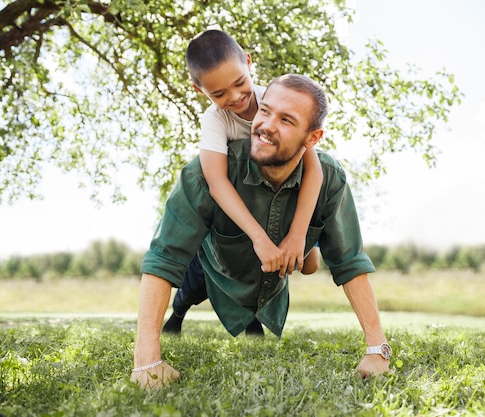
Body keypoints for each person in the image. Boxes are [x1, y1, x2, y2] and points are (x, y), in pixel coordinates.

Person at [131, 74, 391, 389]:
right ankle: (178, 317)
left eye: (286, 120)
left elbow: (349, 261)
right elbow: (163, 258)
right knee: (190, 290)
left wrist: (378, 350)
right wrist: (146, 361)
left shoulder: (329, 179)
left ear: (312, 138)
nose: (266, 125)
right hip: (215, 270)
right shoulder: (203, 174)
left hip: (268, 289)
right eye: (264, 111)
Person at [162, 29, 322, 335]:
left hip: (278, 201)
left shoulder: (275, 101)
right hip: (236, 215)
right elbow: (217, 182)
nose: (235, 97)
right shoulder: (215, 120)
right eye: (219, 94)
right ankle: (178, 314)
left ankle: (257, 316)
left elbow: (313, 169)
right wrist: (259, 238)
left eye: (239, 83)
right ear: (200, 91)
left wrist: (300, 233)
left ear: (248, 62)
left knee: (308, 265)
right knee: (201, 279)